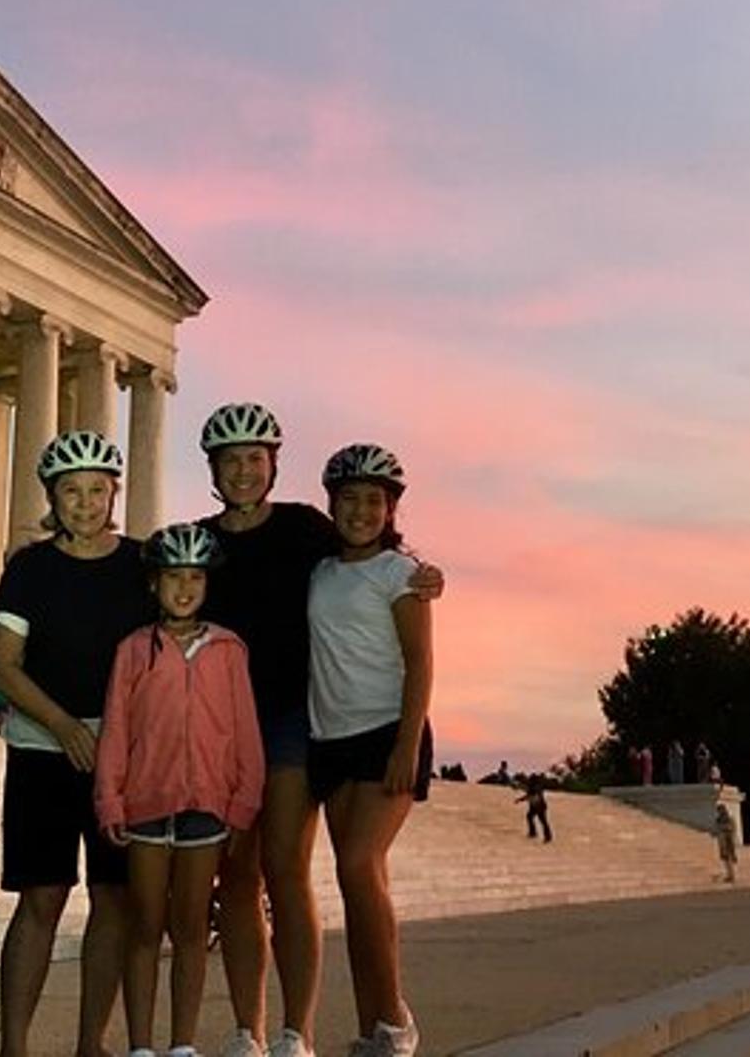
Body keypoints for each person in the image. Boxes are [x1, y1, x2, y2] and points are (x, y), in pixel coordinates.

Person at [193, 403, 443, 1057]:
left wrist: (427, 575)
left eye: (255, 458)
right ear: (214, 469)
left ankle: (296, 1033)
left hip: (292, 721)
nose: (244, 470)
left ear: (273, 464)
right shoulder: (198, 541)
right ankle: (247, 1028)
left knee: (286, 867)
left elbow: (378, 558)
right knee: (236, 875)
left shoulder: (306, 529)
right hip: (224, 724)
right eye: (231, 460)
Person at [0, 430, 148, 1057]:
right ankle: (16, 1048)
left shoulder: (142, 565)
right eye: (71, 492)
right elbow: (5, 666)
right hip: (42, 749)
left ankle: (92, 1044)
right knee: (42, 896)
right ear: (52, 498)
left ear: (114, 493)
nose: (85, 503)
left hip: (119, 759)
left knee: (113, 897)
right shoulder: (29, 569)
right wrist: (65, 727)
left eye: (96, 490)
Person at [96, 522, 266, 1057]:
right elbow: (116, 729)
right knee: (145, 926)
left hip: (207, 810)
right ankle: (142, 1046)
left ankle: (182, 1045)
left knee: (191, 929)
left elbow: (246, 732)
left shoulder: (229, 650)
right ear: (153, 584)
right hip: (147, 804)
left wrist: (244, 804)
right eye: (173, 577)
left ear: (207, 583)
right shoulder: (132, 651)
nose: (184, 588)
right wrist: (110, 799)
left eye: (194, 576)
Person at [309, 443, 435, 1057]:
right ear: (331, 505)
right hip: (331, 739)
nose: (361, 511)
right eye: (350, 499)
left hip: (388, 733)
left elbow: (419, 663)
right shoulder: (320, 571)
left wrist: (407, 746)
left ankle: (395, 1020)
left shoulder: (401, 574)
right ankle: (371, 1032)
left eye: (373, 501)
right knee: (357, 884)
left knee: (360, 865)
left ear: (391, 510)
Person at [517, 774, 551, 843]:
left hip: (539, 806)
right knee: (530, 817)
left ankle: (547, 836)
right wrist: (520, 799)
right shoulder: (535, 786)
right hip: (535, 806)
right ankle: (534, 832)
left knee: (542, 821)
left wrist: (521, 799)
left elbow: (530, 795)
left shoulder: (535, 787)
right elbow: (529, 795)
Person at [713, 803, 738, 883]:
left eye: (719, 810)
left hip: (728, 841)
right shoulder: (719, 820)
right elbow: (717, 829)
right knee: (726, 859)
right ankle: (730, 875)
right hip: (723, 841)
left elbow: (732, 828)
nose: (719, 812)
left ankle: (731, 875)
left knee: (729, 858)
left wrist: (723, 830)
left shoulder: (728, 819)